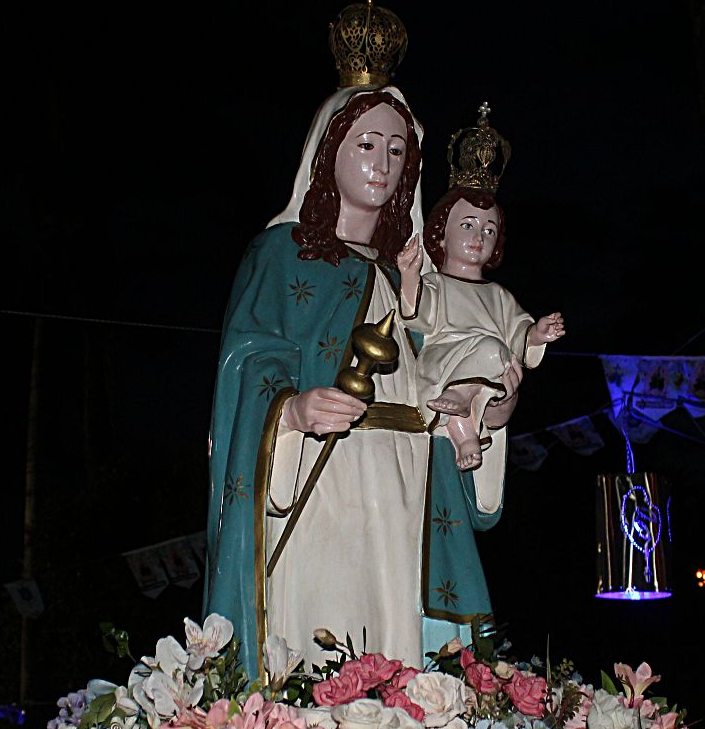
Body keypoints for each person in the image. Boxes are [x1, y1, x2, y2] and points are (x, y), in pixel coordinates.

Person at [205, 87, 517, 676]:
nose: (382, 164)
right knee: (324, 634)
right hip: (322, 473)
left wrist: (488, 405)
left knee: (399, 638)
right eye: (367, 145)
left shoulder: (409, 279)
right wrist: (291, 411)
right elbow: (251, 357)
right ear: (328, 152)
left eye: (397, 151)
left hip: (406, 478)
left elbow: (441, 373)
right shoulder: (282, 254)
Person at [398, 188, 564, 470]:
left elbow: (518, 332)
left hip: (491, 368)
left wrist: (537, 334)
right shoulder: (438, 284)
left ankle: (466, 437)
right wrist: (410, 275)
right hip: (443, 362)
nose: (479, 238)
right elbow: (417, 315)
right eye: (467, 226)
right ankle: (462, 411)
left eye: (489, 231)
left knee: (494, 353)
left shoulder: (498, 295)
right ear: (440, 235)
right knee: (490, 350)